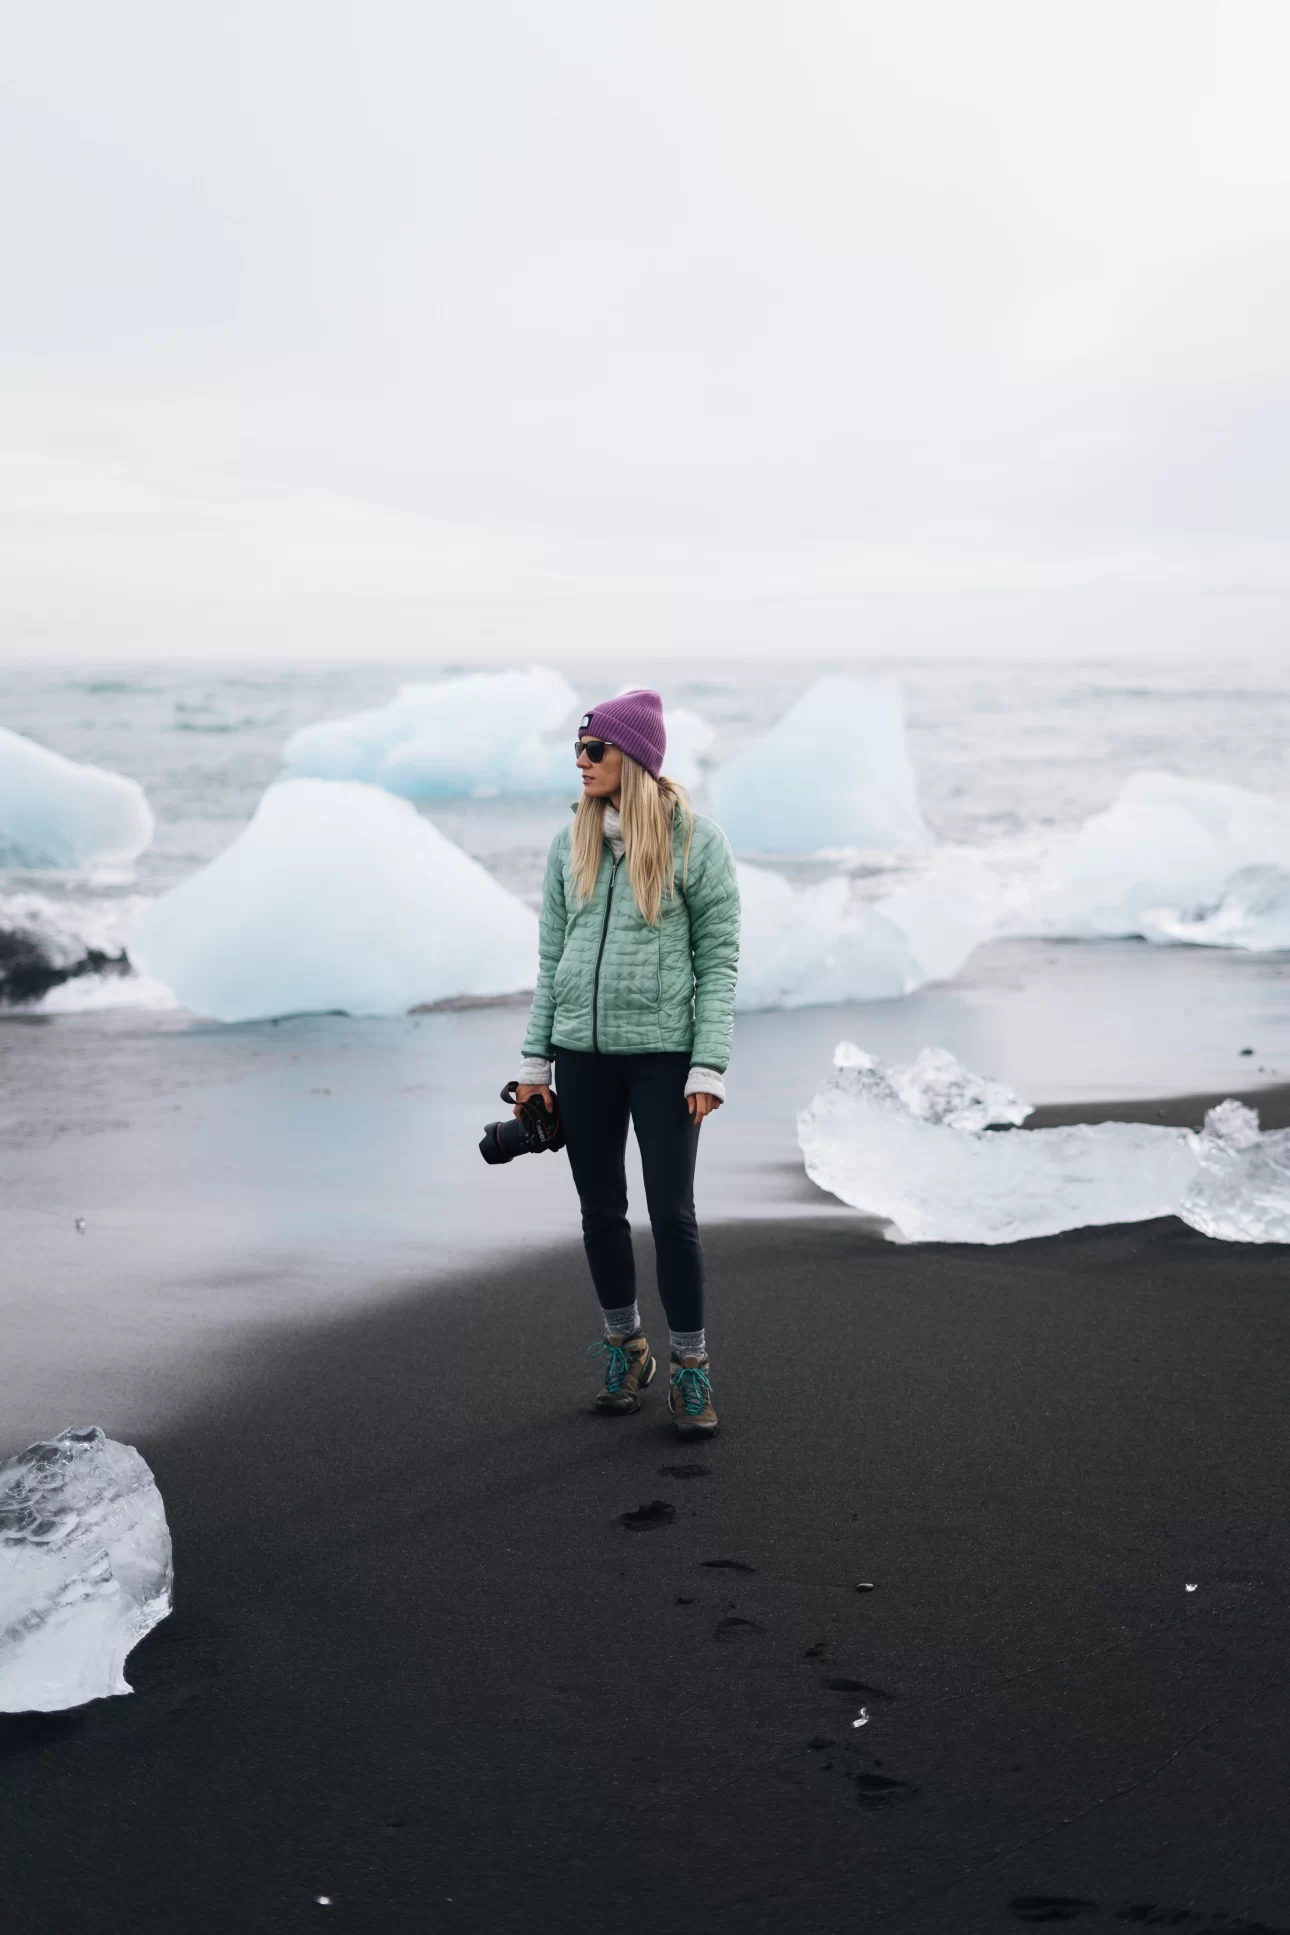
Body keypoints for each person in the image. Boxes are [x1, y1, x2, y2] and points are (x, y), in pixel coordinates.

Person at [515, 689, 740, 1438]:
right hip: (582, 1056)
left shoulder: (695, 843)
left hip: (665, 1060)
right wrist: (535, 1065)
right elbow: (551, 960)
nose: (580, 763)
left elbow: (720, 960)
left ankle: (691, 1365)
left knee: (672, 1214)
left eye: (594, 750)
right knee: (600, 1211)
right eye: (577, 751)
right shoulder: (567, 845)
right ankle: (625, 1346)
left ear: (633, 758)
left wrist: (708, 1065)